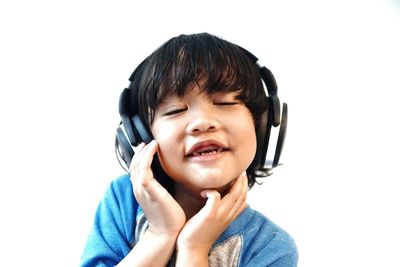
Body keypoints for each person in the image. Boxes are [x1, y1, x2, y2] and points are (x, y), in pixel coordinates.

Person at [80, 32, 298, 267]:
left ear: (261, 124)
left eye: (225, 103)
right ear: (141, 134)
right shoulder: (125, 201)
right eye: (175, 110)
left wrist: (194, 249)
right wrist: (160, 235)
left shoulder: (271, 248)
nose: (202, 122)